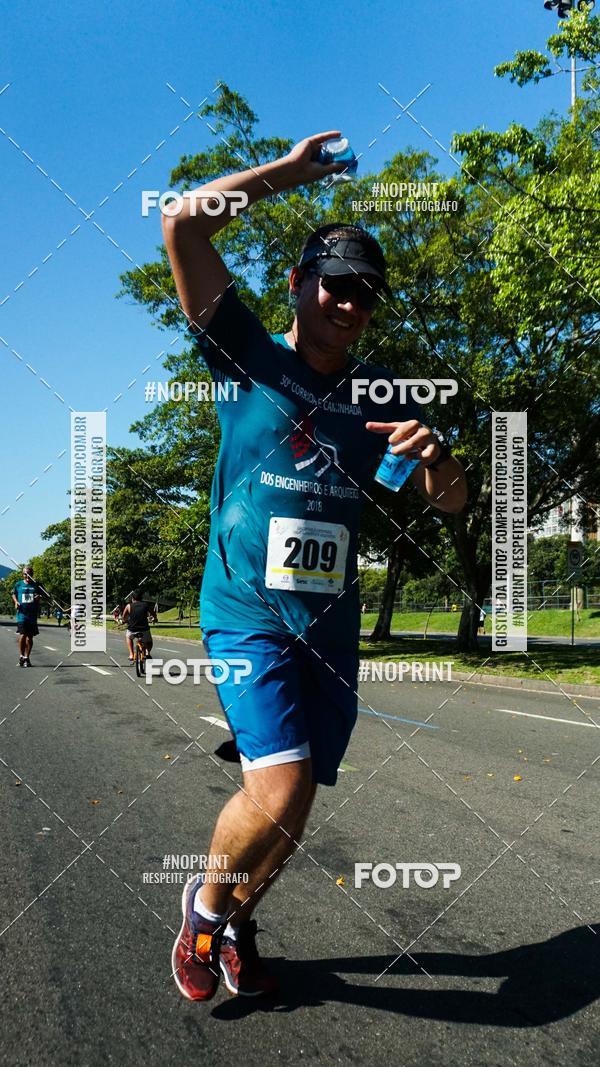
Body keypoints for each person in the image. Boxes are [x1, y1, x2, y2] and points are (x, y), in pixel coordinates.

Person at [162, 130, 468, 1002]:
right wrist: (286, 176)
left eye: (366, 296)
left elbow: (452, 503)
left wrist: (440, 458)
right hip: (244, 609)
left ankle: (235, 920)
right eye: (336, 284)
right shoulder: (243, 354)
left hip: (329, 631)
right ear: (299, 283)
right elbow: (183, 226)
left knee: (291, 813)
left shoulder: (376, 403)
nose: (349, 304)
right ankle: (204, 911)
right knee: (284, 780)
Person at [12, 565, 41, 667]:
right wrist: (16, 602)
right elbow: (13, 594)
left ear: (32, 574)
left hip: (32, 615)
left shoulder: (36, 585)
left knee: (30, 637)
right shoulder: (18, 584)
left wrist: (38, 597)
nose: (27, 576)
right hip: (22, 614)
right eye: (25, 574)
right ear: (23, 574)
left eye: (29, 574)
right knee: (23, 634)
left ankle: (27, 658)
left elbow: (44, 596)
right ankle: (21, 655)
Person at [121, 589, 157, 662]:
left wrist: (124, 621)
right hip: (144, 629)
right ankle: (147, 652)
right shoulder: (146, 605)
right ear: (141, 598)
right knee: (149, 642)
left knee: (128, 637)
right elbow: (153, 613)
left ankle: (131, 654)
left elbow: (124, 617)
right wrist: (155, 618)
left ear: (133, 598)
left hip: (132, 629)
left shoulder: (128, 606)